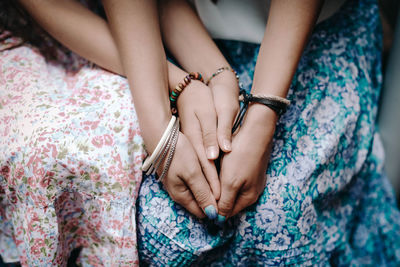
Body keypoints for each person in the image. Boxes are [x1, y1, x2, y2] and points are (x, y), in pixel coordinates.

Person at [137, 0, 400, 265]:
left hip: (312, 29)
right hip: (187, 35)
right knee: (168, 220)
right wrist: (213, 77)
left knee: (278, 213)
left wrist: (264, 114)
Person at [0, 0, 225, 265]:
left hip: (132, 37)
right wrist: (180, 87)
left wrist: (215, 79)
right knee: (47, 154)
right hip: (37, 33)